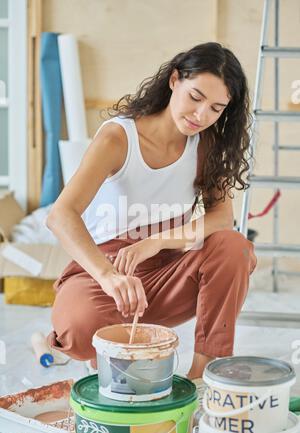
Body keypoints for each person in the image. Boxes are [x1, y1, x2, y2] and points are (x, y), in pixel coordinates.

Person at [47, 42, 257, 379]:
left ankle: (203, 375)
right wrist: (109, 276)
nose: (201, 116)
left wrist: (157, 241)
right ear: (174, 80)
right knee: (77, 332)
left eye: (216, 108)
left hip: (168, 270)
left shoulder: (206, 143)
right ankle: (108, 342)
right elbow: (61, 215)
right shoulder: (119, 138)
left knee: (232, 247)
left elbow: (221, 217)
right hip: (106, 269)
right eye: (196, 97)